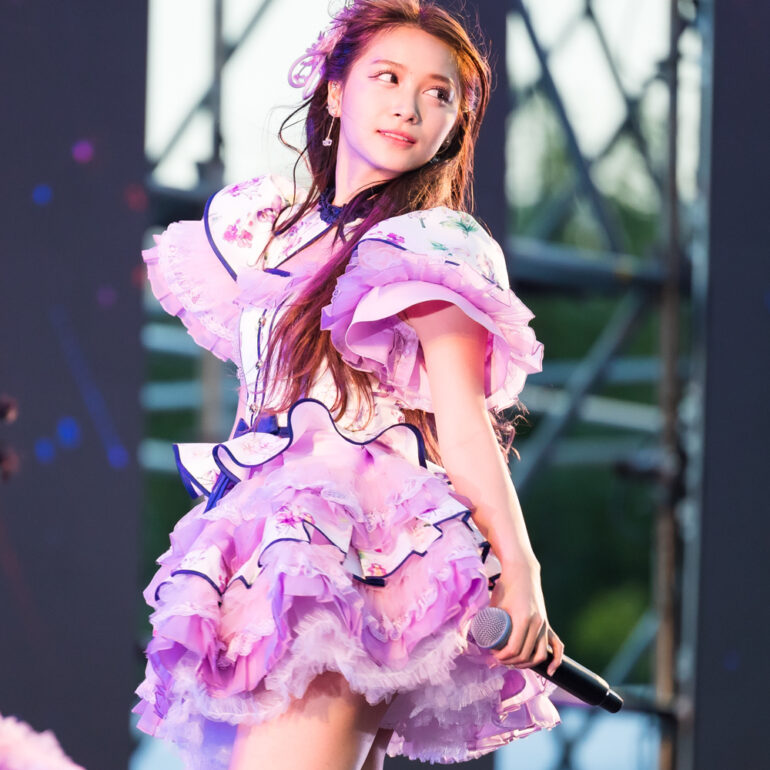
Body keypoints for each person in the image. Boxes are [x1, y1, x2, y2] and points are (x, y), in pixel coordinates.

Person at [133, 1, 564, 768]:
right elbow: (260, 417)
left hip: (352, 558)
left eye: (438, 93)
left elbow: (463, 422)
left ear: (455, 124)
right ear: (336, 91)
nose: (409, 106)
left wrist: (522, 573)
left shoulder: (430, 243)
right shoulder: (269, 229)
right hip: (263, 551)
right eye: (387, 78)